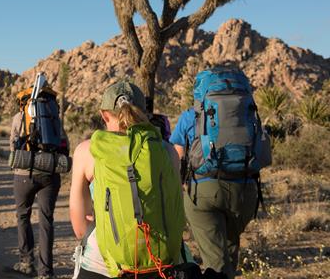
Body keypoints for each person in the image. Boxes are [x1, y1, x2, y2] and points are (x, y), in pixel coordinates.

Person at [69, 80, 188, 279]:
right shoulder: (167, 151)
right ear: (145, 113)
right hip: (162, 262)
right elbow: (176, 207)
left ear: (103, 115)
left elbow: (80, 229)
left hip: (104, 265)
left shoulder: (87, 151)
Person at [171, 71, 260, 279]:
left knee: (215, 263)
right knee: (230, 248)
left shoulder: (189, 117)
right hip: (245, 189)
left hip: (204, 191)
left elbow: (177, 160)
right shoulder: (246, 115)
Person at [10, 91, 65, 279]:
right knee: (46, 220)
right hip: (50, 174)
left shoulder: (19, 117)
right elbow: (65, 145)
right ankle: (46, 272)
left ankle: (26, 263)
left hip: (24, 175)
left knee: (23, 216)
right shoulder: (53, 117)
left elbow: (13, 147)